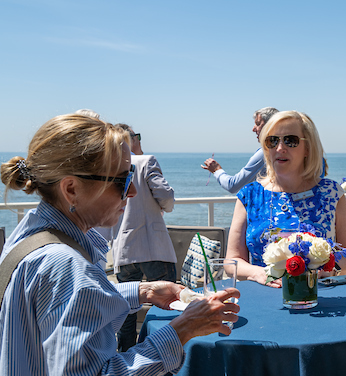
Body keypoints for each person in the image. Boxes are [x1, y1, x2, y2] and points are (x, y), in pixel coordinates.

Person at [0, 114, 240, 375]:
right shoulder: (69, 266)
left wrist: (143, 291)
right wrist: (182, 330)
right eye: (122, 181)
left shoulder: (29, 235)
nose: (133, 192)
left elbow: (69, 307)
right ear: (71, 189)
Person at [226, 111, 346, 286]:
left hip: (318, 299)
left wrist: (327, 270)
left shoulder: (331, 193)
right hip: (262, 297)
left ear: (308, 148)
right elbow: (232, 261)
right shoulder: (249, 195)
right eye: (272, 141)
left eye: (290, 140)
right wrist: (258, 273)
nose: (280, 148)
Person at [112, 124, 177, 352]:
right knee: (169, 303)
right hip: (153, 246)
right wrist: (163, 207)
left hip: (124, 247)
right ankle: (168, 350)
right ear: (131, 140)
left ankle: (127, 353)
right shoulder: (145, 161)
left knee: (126, 312)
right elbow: (166, 196)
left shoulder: (110, 165)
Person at [202, 107, 279, 194]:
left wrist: (216, 170)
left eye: (258, 124)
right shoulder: (289, 150)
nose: (253, 129)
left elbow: (233, 186)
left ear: (270, 125)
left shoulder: (266, 152)